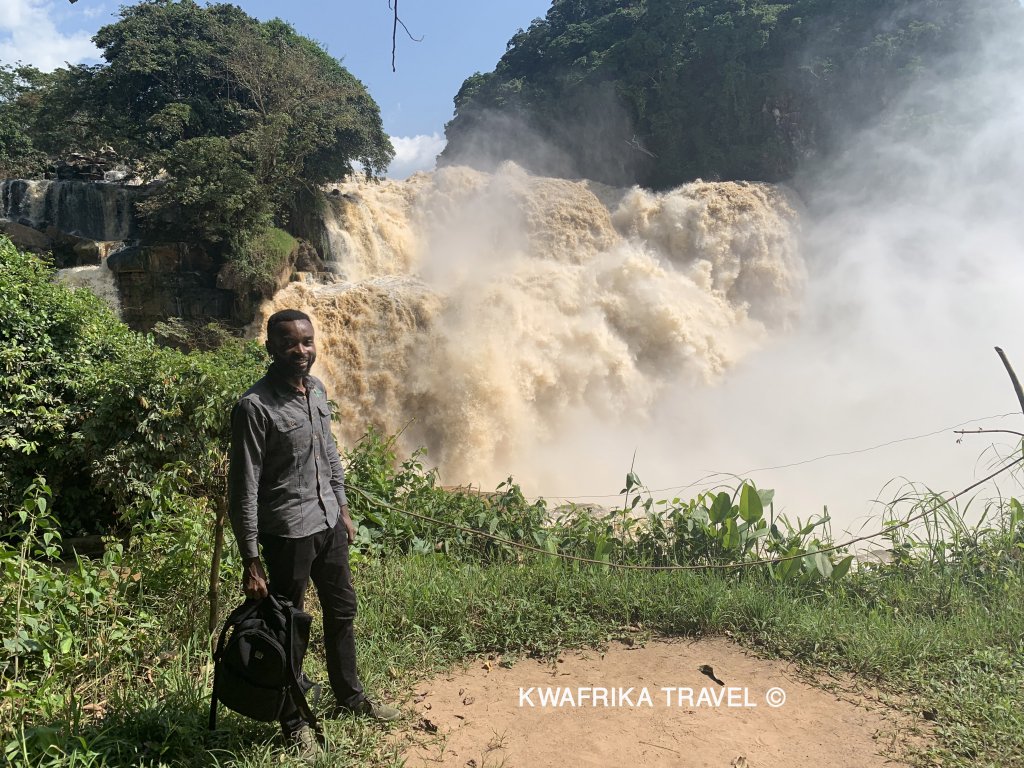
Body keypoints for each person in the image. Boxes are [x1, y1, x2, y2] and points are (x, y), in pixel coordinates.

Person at [227, 308, 400, 759]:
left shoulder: (317, 391)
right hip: (287, 533)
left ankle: (350, 695)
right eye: (289, 343)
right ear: (270, 348)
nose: (300, 351)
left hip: (328, 525)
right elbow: (243, 488)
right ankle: (294, 720)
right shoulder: (255, 406)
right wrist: (250, 557)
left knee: (343, 612)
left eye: (306, 341)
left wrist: (342, 508)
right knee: (288, 630)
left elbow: (330, 455)